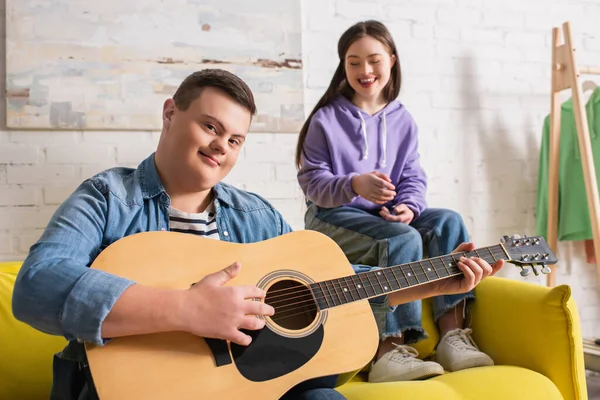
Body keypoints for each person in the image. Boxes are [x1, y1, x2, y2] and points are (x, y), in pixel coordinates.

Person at [12, 69, 502, 400]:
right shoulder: (106, 197)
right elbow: (37, 286)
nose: (221, 146)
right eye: (210, 126)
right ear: (169, 114)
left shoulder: (256, 215)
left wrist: (435, 283)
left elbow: (334, 282)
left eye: (235, 139)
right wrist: (187, 310)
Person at [295, 20, 496, 383]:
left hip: (383, 218)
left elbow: (413, 177)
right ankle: (388, 349)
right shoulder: (325, 120)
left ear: (392, 60)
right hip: (332, 216)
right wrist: (354, 183)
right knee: (402, 238)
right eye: (353, 62)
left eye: (373, 60)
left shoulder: (402, 120)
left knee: (447, 221)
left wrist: (409, 206)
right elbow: (312, 184)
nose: (364, 70)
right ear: (343, 66)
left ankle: (453, 335)